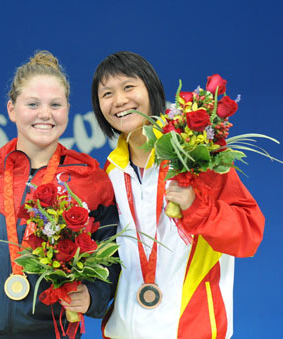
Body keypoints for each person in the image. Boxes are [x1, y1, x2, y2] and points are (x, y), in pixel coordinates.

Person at [91, 51, 265, 339]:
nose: (119, 100)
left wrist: (197, 208)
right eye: (106, 93)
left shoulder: (198, 157)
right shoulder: (109, 172)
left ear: (152, 89)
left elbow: (249, 235)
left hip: (190, 329)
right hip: (124, 332)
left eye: (129, 87)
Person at [0, 50, 119, 338]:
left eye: (55, 104)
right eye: (32, 104)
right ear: (12, 109)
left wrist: (93, 295)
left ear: (67, 110)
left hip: (51, 331)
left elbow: (111, 252)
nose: (44, 114)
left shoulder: (90, 177)